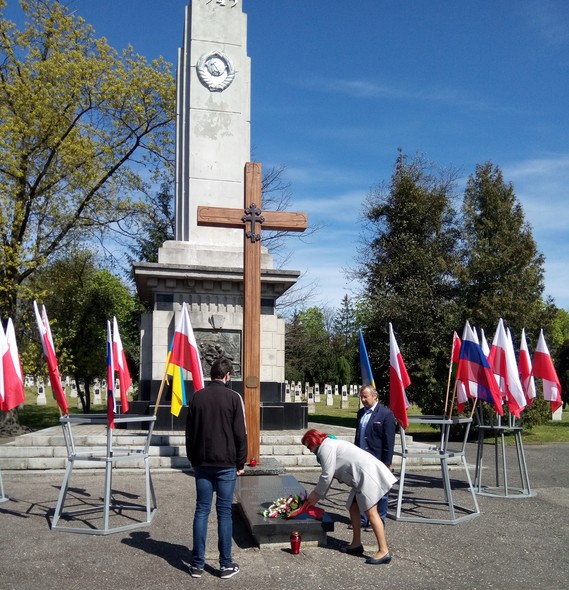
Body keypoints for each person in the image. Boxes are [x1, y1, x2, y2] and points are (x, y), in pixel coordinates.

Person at [185, 357, 247, 579]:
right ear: (228, 375)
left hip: (202, 462)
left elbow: (190, 433)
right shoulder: (233, 397)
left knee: (202, 510)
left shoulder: (197, 397)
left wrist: (192, 459)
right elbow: (240, 433)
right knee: (224, 513)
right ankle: (225, 565)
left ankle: (197, 565)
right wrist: (241, 462)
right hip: (225, 464)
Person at [302, 428, 397, 565]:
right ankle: (356, 544)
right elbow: (330, 475)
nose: (310, 450)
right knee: (353, 508)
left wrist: (316, 494)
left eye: (309, 446)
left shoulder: (325, 447)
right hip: (363, 475)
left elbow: (327, 475)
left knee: (371, 513)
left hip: (367, 475)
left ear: (314, 440)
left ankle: (384, 551)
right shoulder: (330, 443)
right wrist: (318, 495)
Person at [355, 385, 397, 528]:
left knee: (381, 491)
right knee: (361, 489)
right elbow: (358, 435)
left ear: (375, 396)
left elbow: (389, 441)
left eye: (366, 396)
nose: (363, 399)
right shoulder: (361, 413)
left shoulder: (385, 414)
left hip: (377, 459)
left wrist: (387, 462)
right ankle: (362, 519)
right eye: (362, 396)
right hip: (361, 458)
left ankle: (379, 521)